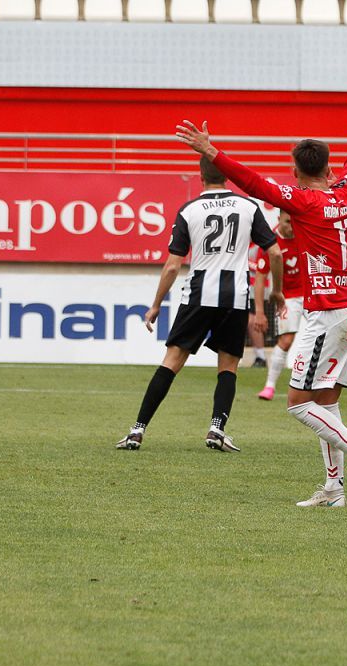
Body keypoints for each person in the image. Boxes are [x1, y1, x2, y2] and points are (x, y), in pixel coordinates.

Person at [174, 83, 347, 508]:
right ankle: (334, 487)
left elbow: (253, 183)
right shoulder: (346, 190)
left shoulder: (303, 201)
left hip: (326, 313)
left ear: (295, 171)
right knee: (327, 403)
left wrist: (212, 151)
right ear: (329, 168)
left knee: (296, 404)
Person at [115, 157, 284, 453]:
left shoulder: (189, 209)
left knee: (172, 360)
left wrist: (156, 304)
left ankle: (137, 430)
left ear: (200, 176)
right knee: (229, 365)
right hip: (235, 297)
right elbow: (276, 253)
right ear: (228, 175)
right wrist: (278, 292)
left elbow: (172, 266)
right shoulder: (248, 207)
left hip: (198, 295)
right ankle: (217, 428)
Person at [253, 212, 304, 400]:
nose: (292, 227)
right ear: (279, 220)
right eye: (288, 222)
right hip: (287, 297)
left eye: (295, 222)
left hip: (312, 294)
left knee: (325, 338)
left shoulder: (305, 234)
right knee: (286, 340)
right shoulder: (270, 243)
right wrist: (259, 311)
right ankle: (269, 386)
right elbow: (260, 279)